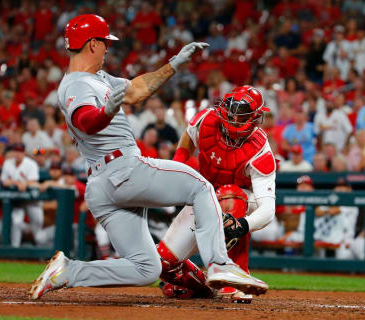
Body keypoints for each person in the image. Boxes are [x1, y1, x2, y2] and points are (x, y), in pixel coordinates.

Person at [30, 14, 256, 300]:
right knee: (201, 187)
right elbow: (85, 121)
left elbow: (136, 90)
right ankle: (219, 263)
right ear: (91, 45)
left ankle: (69, 272)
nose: (107, 48)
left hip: (103, 186)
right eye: (104, 42)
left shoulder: (97, 78)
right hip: (123, 169)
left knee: (145, 268)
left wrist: (173, 65)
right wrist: (106, 112)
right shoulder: (76, 85)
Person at [156, 86, 275, 303]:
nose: (233, 118)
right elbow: (188, 138)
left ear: (255, 118)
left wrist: (243, 225)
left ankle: (236, 278)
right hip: (204, 196)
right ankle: (203, 286)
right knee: (161, 263)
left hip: (240, 201)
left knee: (230, 194)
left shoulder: (260, 149)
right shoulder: (206, 121)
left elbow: (268, 209)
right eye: (231, 112)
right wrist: (177, 165)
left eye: (241, 114)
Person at [0, 143, 44, 247]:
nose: (18, 154)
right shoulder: (7, 163)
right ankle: (15, 251)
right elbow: (3, 181)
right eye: (16, 151)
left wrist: (25, 183)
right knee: (16, 222)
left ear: (24, 152)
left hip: (31, 200)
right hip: (17, 201)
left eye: (20, 151)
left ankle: (39, 248)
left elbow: (34, 181)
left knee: (38, 221)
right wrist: (17, 183)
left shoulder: (31, 164)